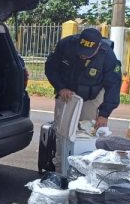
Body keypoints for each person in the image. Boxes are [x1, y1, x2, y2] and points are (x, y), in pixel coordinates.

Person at [44, 27, 122, 171]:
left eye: (87, 54)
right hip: (67, 95)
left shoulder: (108, 56)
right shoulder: (66, 45)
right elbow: (51, 67)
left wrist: (104, 114)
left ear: (98, 47)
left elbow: (113, 85)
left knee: (86, 134)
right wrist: (60, 87)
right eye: (81, 52)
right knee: (63, 133)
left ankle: (83, 170)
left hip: (91, 97)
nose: (83, 56)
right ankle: (60, 170)